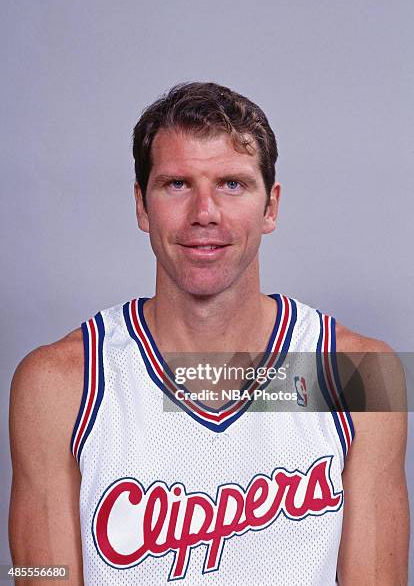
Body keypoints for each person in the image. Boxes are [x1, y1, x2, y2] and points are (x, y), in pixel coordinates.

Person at [9, 82, 409, 585]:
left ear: (271, 207)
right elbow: (35, 573)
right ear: (141, 205)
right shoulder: (59, 384)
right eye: (176, 184)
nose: (204, 213)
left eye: (232, 184)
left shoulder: (356, 374)